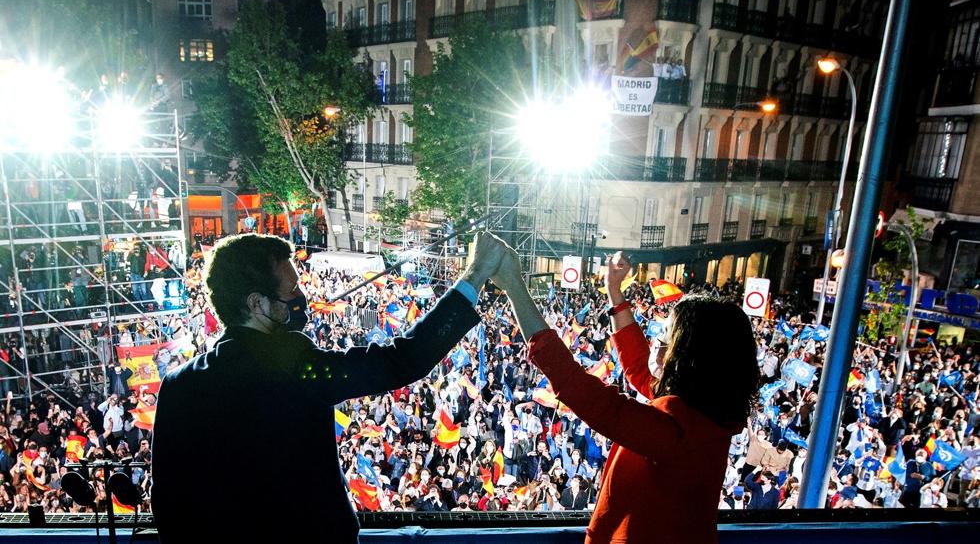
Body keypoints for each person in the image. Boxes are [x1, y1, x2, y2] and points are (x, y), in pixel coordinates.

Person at [152, 232, 503, 543]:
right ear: (257, 304)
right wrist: (474, 276)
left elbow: (167, 506)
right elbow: (403, 360)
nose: (300, 298)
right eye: (291, 291)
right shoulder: (294, 369)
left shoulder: (179, 385)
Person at [490, 244, 759, 543]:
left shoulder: (675, 431)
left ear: (689, 355)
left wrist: (515, 287)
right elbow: (638, 366)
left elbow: (580, 388)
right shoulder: (703, 413)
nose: (655, 341)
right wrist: (614, 291)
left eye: (665, 335)